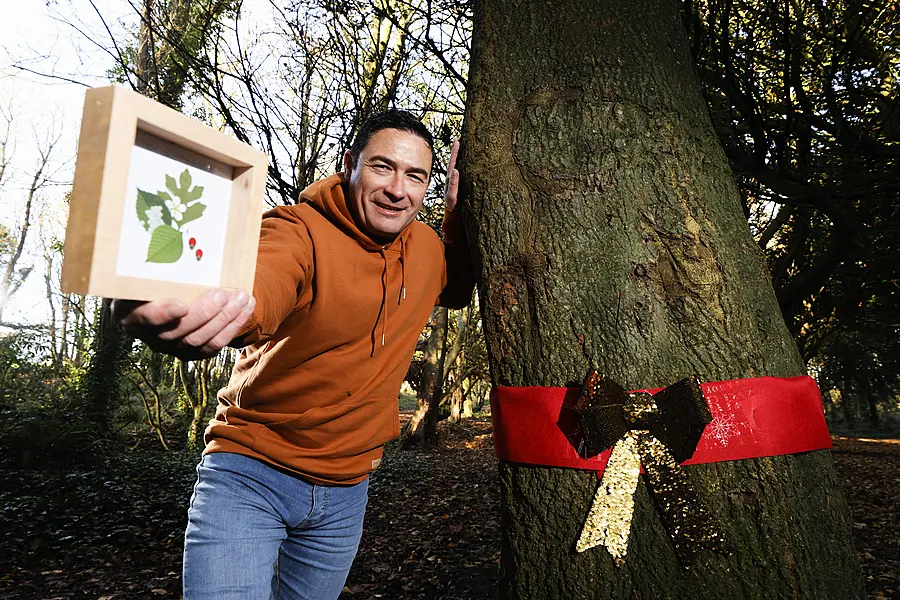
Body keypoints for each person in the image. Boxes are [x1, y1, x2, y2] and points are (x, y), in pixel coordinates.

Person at [113, 110, 475, 600]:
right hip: (250, 476)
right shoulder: (297, 230)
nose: (398, 189)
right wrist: (219, 310)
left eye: (416, 176)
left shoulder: (428, 248)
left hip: (347, 494)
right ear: (348, 164)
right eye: (382, 167)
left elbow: (453, 288)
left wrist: (458, 217)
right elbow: (264, 284)